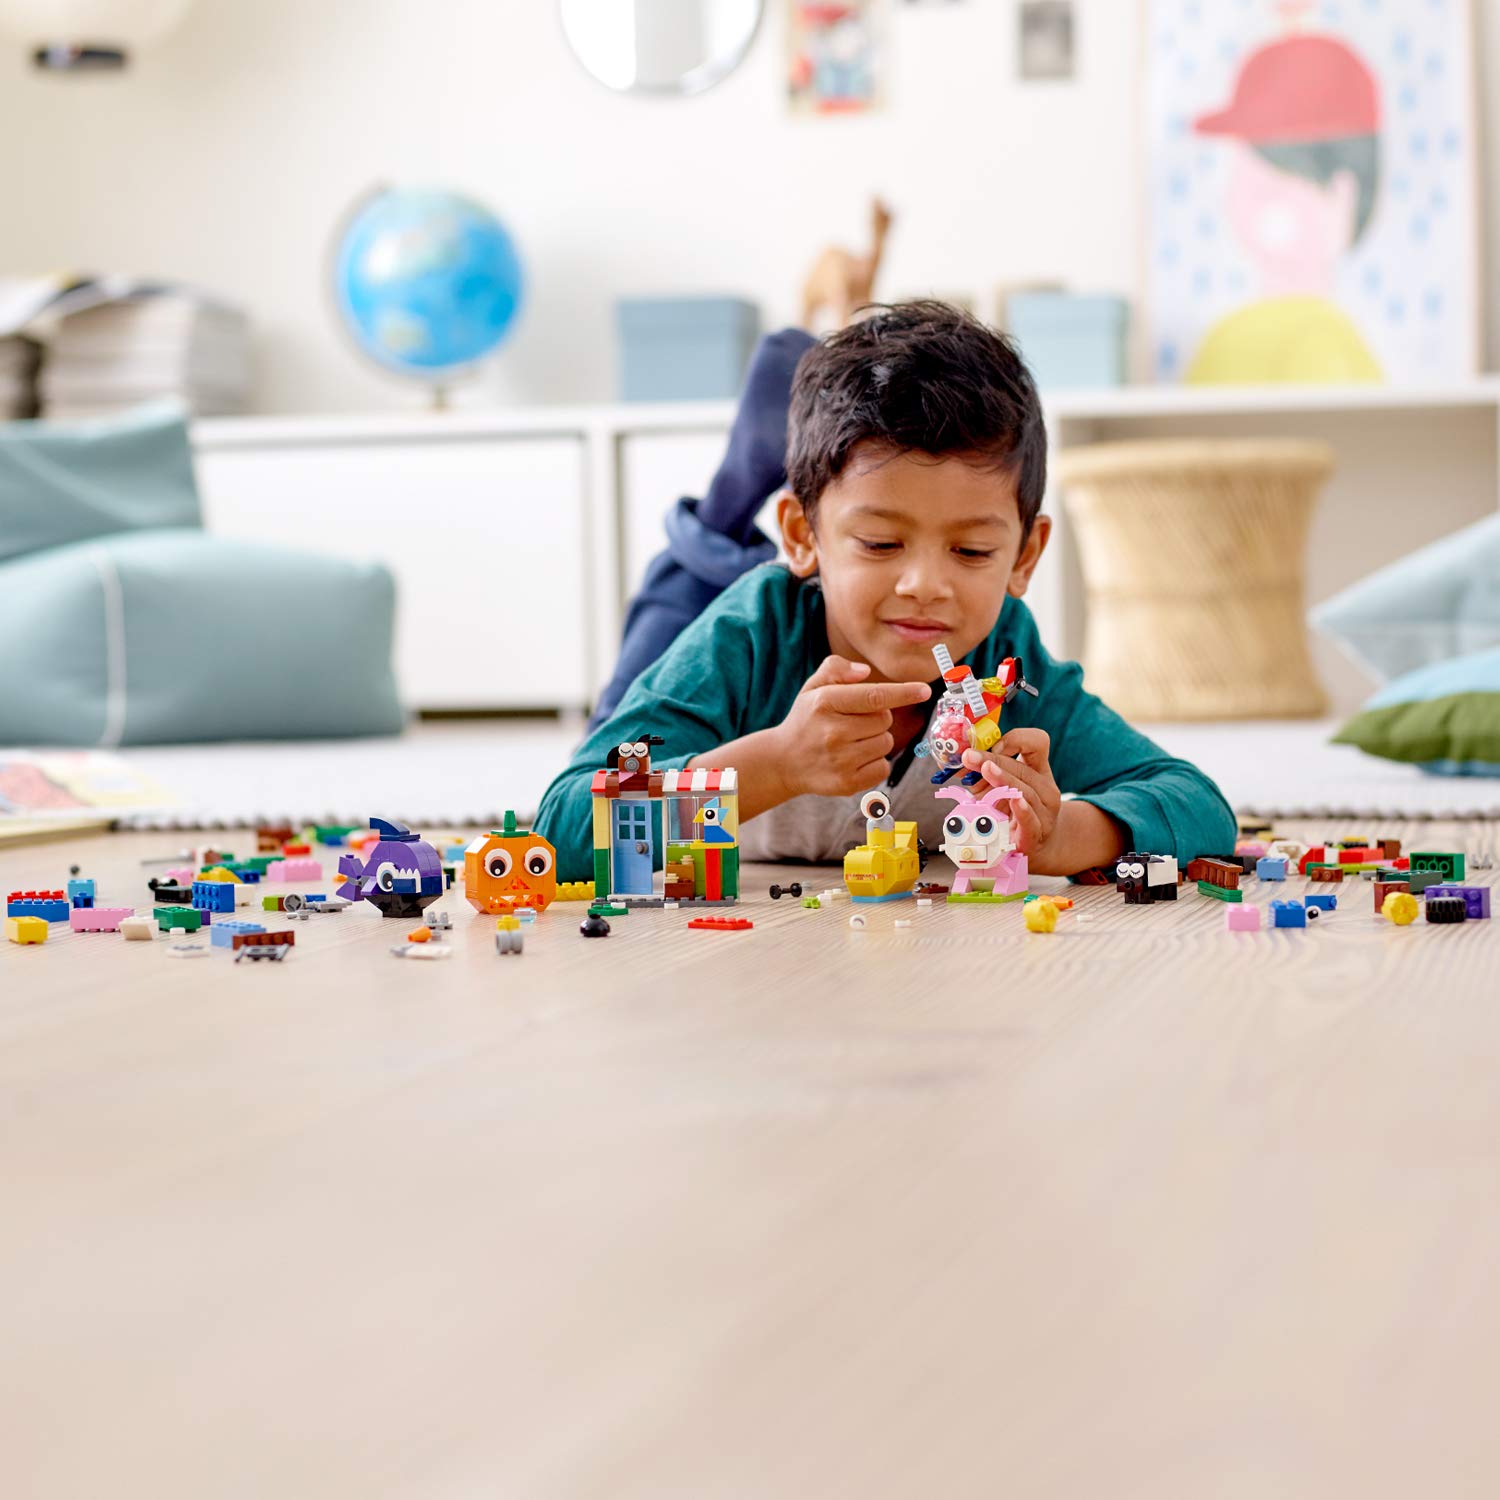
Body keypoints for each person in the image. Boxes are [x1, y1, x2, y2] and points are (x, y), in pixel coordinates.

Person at [536, 301, 1235, 879]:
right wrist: (777, 765)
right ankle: (731, 497)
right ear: (803, 535)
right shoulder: (742, 639)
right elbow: (562, 830)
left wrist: (1058, 836)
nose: (925, 585)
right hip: (717, 615)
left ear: (1024, 556)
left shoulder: (1005, 662)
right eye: (879, 542)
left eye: (971, 550)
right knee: (683, 589)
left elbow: (1198, 804)